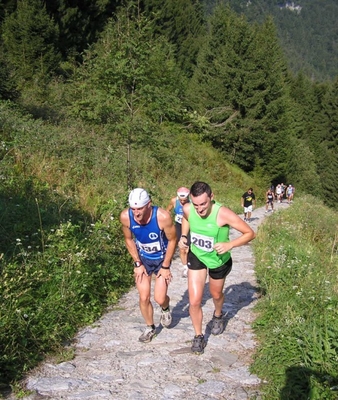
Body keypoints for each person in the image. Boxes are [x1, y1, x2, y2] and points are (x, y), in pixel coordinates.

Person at [178, 182, 256, 354]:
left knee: (216, 294)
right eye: (196, 204)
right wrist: (184, 236)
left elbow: (250, 233)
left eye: (203, 204)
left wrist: (230, 245)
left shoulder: (223, 214)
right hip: (197, 256)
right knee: (195, 300)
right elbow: (185, 218)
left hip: (218, 261)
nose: (199, 210)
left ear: (212, 198)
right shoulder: (188, 209)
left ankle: (218, 315)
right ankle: (198, 336)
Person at [120, 188, 177, 343]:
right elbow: (128, 239)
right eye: (133, 209)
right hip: (143, 259)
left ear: (149, 205)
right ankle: (150, 327)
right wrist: (137, 262)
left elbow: (173, 240)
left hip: (161, 259)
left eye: (139, 208)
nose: (136, 213)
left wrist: (166, 266)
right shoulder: (126, 217)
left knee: (159, 298)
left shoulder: (162, 216)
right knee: (144, 296)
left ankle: (165, 307)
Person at [166, 187, 190, 277]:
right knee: (182, 248)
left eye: (185, 200)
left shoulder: (192, 202)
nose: (183, 202)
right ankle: (185, 268)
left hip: (190, 227)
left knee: (189, 248)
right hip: (179, 225)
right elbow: (167, 210)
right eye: (181, 200)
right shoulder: (174, 201)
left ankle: (192, 265)